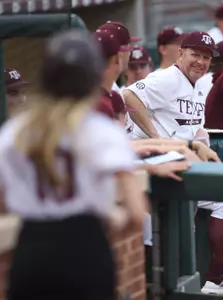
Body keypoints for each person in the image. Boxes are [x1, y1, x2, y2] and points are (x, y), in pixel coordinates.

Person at [1, 29, 146, 300]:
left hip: (31, 247)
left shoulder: (14, 132)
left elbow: (2, 202)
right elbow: (137, 213)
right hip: (85, 246)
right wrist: (113, 219)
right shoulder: (101, 130)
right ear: (92, 78)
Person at [124, 32, 223, 295]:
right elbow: (129, 96)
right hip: (155, 165)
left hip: (180, 163)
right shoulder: (168, 78)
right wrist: (157, 138)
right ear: (181, 53)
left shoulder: (195, 85)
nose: (201, 61)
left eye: (205, 57)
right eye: (195, 54)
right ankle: (185, 283)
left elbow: (195, 129)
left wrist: (202, 146)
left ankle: (215, 276)